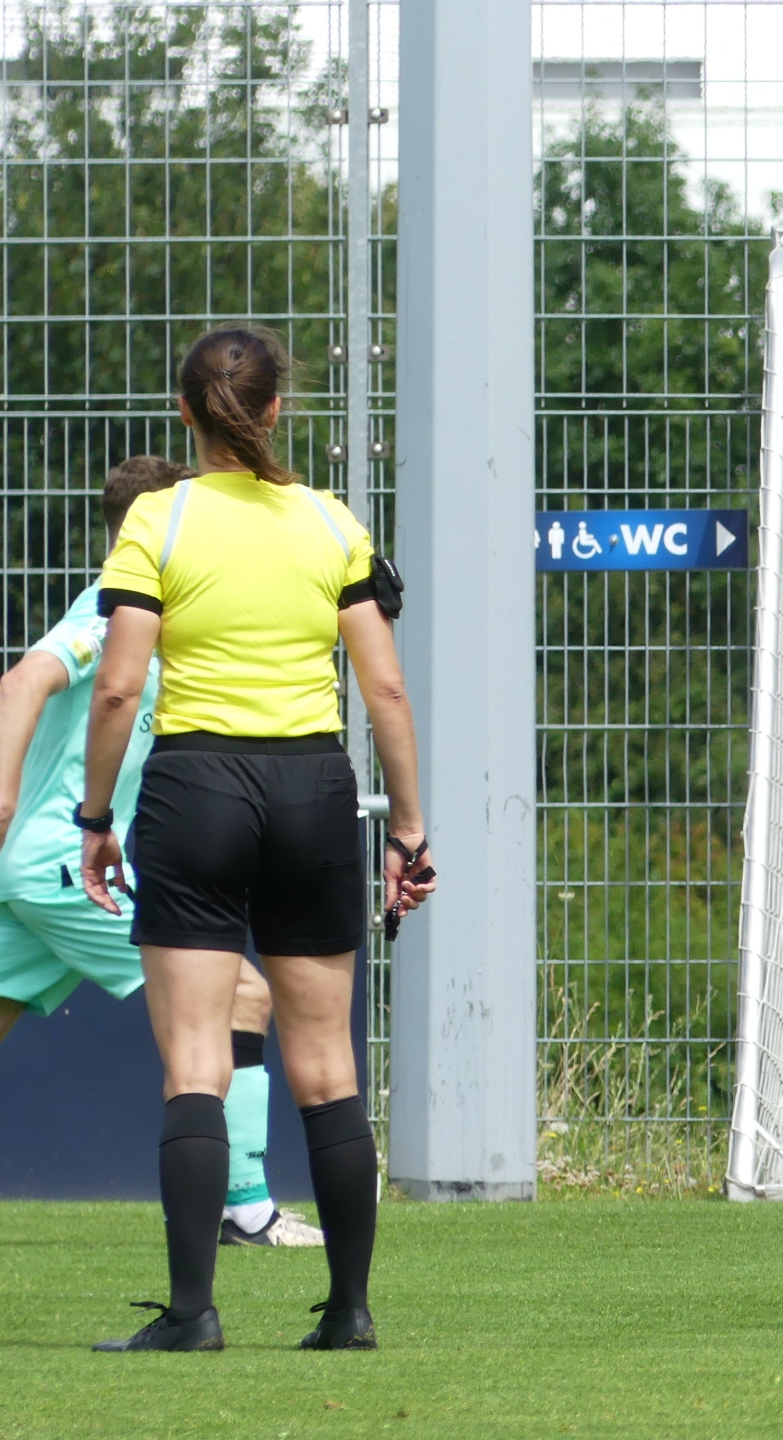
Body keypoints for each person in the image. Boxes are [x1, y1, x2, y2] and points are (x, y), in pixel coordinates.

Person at [80, 327, 436, 1352]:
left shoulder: (159, 519)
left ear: (184, 412)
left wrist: (96, 819)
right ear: (278, 409)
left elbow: (117, 688)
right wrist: (409, 829)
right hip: (313, 791)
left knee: (195, 1059)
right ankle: (350, 1312)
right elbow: (386, 690)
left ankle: (193, 1315)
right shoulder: (330, 520)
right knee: (328, 1065)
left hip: (195, 788)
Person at [0, 456, 322, 1250]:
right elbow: (21, 684)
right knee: (239, 993)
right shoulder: (109, 612)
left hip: (34, 865)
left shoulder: (152, 618)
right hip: (61, 863)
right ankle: (243, 1208)